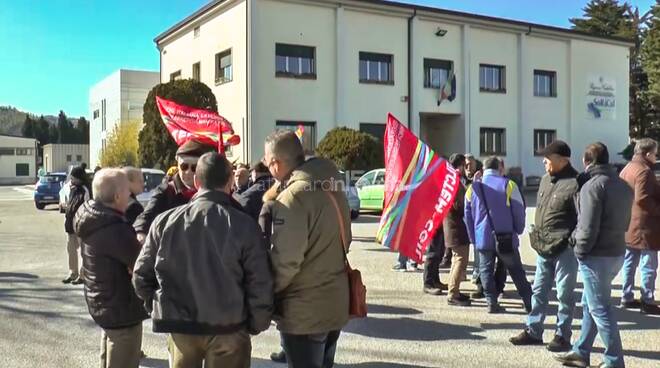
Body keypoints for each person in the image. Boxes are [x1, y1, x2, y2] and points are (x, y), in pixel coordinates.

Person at [133, 152, 273, 368]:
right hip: (230, 327)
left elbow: (141, 276)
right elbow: (259, 282)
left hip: (182, 328)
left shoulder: (164, 222)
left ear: (197, 182)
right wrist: (256, 323)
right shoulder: (244, 225)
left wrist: (160, 307)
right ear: (230, 182)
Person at [264, 130, 350, 368]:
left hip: (304, 310)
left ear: (275, 163)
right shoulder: (331, 183)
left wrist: (266, 294)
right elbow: (348, 239)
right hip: (335, 301)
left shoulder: (292, 197)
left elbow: (286, 262)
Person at [555, 142, 633, 368]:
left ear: (586, 161)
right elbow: (626, 221)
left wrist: (579, 251)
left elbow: (587, 228)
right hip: (616, 252)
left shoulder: (592, 186)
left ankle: (614, 360)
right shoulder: (623, 185)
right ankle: (581, 351)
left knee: (600, 308)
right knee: (590, 301)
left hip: (595, 255)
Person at [74, 169, 148, 368]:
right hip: (120, 306)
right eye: (127, 191)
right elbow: (141, 263)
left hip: (104, 301)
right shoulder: (114, 228)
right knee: (124, 352)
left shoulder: (93, 216)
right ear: (117, 196)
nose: (130, 196)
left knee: (109, 347)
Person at [509, 141, 579, 352]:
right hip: (543, 246)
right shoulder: (545, 180)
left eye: (548, 158)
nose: (544, 161)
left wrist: (572, 239)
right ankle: (533, 330)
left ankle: (562, 335)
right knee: (538, 291)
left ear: (563, 160)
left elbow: (583, 217)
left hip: (564, 248)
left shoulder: (576, 183)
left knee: (565, 294)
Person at [464, 156, 531, 314]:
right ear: (500, 167)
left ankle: (491, 302)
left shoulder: (472, 188)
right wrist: (518, 229)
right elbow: (519, 210)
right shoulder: (509, 185)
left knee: (485, 270)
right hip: (506, 236)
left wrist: (473, 237)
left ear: (483, 169)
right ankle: (529, 302)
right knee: (516, 271)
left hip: (482, 238)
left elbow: (467, 216)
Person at [133, 139, 215, 243]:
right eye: (184, 166)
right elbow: (147, 214)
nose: (188, 172)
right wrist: (140, 231)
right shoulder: (166, 190)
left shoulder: (210, 191)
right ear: (178, 166)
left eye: (194, 168)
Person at [618, 138, 660, 315]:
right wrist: (658, 210)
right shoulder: (644, 171)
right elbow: (642, 197)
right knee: (648, 264)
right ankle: (647, 300)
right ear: (648, 153)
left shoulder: (628, 167)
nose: (656, 156)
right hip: (645, 226)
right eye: (655, 153)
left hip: (630, 223)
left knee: (629, 261)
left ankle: (626, 296)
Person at [444, 153, 471, 306]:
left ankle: (455, 290)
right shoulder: (454, 181)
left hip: (453, 226)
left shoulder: (450, 178)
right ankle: (453, 293)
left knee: (458, 260)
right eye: (464, 165)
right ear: (460, 165)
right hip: (456, 226)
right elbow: (458, 205)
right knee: (460, 260)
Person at [62, 167, 90, 285]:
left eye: (73, 177)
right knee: (71, 250)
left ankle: (83, 275)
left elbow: (87, 207)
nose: (71, 179)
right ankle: (73, 273)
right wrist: (65, 206)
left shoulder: (85, 190)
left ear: (79, 178)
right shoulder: (72, 189)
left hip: (80, 225)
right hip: (70, 225)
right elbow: (70, 203)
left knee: (83, 252)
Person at [423, 228, 448, 295]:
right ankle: (428, 284)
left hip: (440, 223)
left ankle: (435, 281)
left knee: (439, 253)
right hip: (434, 224)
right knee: (432, 253)